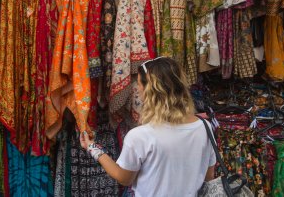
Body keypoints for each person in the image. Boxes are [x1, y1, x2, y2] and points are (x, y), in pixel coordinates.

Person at [80, 57, 216, 197]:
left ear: (150, 90)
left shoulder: (141, 136)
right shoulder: (205, 127)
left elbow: (124, 178)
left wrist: (92, 148)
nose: (138, 89)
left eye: (139, 84)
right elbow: (208, 176)